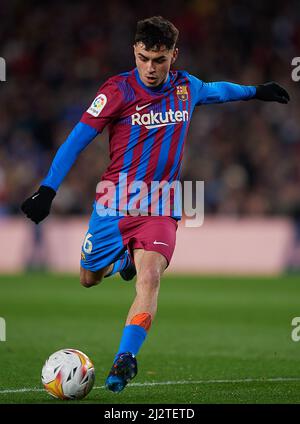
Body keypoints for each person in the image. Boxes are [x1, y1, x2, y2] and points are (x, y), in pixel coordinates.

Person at [21, 16, 290, 393]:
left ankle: (124, 359)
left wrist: (257, 90)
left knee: (150, 278)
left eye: (159, 60)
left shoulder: (186, 87)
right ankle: (122, 261)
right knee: (88, 279)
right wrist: (47, 189)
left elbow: (219, 90)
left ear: (173, 56)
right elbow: (77, 140)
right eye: (145, 57)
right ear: (135, 51)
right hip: (114, 205)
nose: (150, 68)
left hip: (160, 205)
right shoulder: (116, 91)